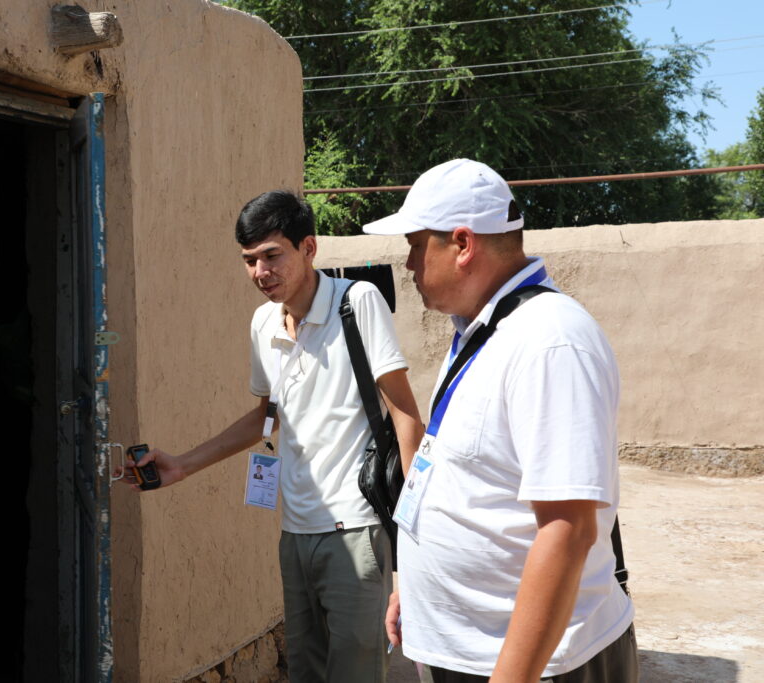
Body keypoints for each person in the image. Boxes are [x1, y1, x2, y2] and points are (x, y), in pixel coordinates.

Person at [120, 190, 424, 683]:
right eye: (250, 260)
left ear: (309, 248)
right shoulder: (263, 322)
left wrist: (414, 542)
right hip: (294, 534)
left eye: (272, 255)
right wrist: (182, 464)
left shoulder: (357, 302)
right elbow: (267, 416)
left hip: (357, 530)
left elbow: (407, 416)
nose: (261, 272)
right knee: (305, 673)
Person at [369, 159, 638, 683]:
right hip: (470, 650)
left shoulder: (549, 341)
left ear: (462, 244)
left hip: (533, 665)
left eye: (416, 245)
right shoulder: (484, 329)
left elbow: (568, 531)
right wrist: (421, 590)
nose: (408, 263)